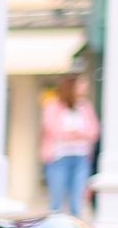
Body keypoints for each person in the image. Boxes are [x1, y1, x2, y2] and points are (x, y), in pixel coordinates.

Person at [40, 71, 100, 216]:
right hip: (58, 158)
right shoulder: (53, 107)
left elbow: (93, 132)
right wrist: (77, 133)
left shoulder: (85, 107)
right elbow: (54, 131)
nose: (85, 88)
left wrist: (74, 133)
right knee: (56, 202)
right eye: (82, 84)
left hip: (81, 158)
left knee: (77, 203)